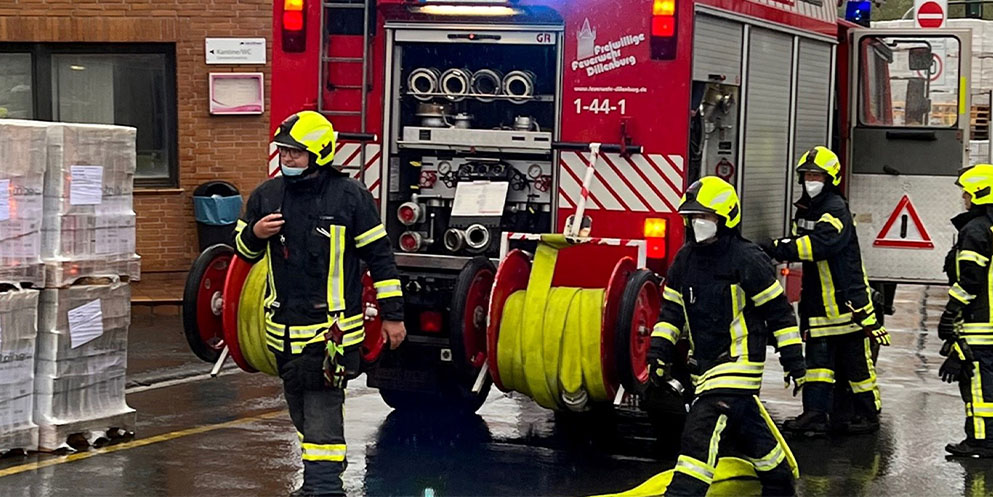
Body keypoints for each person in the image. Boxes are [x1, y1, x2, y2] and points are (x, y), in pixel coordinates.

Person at [233, 110, 407, 496]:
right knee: (302, 413)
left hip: (332, 333)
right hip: (282, 333)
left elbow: (380, 258)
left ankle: (325, 488)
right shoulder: (267, 195)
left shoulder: (350, 198)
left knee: (322, 412)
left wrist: (393, 317)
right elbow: (241, 252)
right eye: (284, 152)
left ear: (320, 153)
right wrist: (258, 233)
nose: (288, 159)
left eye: (296, 153)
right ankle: (322, 476)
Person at [650, 177, 806, 497]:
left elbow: (779, 314)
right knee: (747, 426)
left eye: (705, 217)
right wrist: (658, 352)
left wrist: (793, 360)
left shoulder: (747, 259)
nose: (698, 224)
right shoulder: (685, 259)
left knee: (700, 430)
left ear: (726, 218)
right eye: (693, 218)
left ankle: (682, 492)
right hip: (704, 366)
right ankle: (778, 481)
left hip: (739, 361)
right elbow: (671, 314)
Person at [762, 146, 889, 436]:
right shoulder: (811, 208)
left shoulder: (835, 209)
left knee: (857, 365)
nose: (810, 180)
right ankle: (815, 415)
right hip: (820, 303)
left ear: (830, 178)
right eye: (806, 175)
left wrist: (777, 248)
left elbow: (820, 245)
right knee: (818, 363)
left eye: (816, 175)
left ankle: (868, 415)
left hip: (847, 302)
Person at [937, 164, 993, 458]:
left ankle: (981, 441)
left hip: (980, 324)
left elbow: (969, 278)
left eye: (967, 194)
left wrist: (951, 312)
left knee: (978, 386)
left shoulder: (976, 230)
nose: (964, 199)